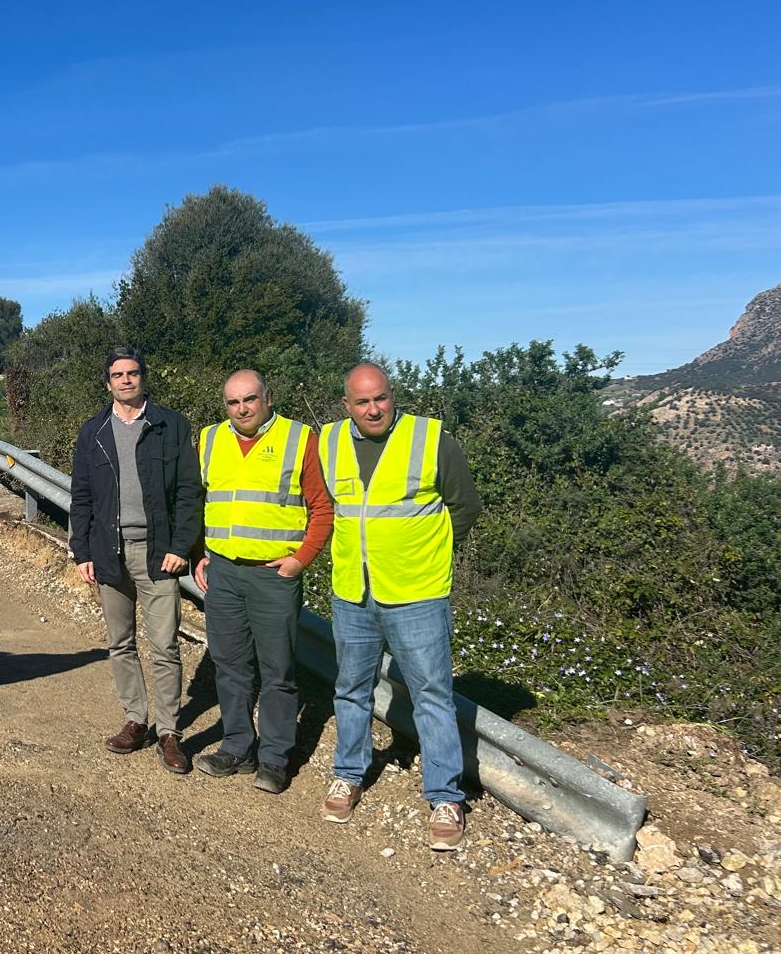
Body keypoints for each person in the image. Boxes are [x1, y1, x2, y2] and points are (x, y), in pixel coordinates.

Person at [318, 363, 483, 850]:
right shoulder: (327, 442)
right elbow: (325, 506)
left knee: (431, 693)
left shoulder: (431, 440)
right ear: (346, 404)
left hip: (418, 593)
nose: (373, 409)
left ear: (393, 397)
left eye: (381, 399)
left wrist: (426, 557)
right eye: (362, 401)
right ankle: (348, 774)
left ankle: (445, 796)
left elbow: (465, 508)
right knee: (351, 688)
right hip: (353, 589)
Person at [192, 370, 333, 793]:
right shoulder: (210, 439)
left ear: (268, 398)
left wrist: (300, 560)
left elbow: (323, 507)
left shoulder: (298, 438)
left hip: (273, 575)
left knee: (277, 670)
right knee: (230, 664)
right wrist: (200, 553)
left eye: (250, 399)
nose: (242, 409)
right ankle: (237, 746)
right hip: (223, 571)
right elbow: (200, 500)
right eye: (233, 402)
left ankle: (274, 758)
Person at [70, 346, 203, 774]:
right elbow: (82, 497)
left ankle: (168, 732)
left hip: (157, 553)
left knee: (164, 645)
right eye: (117, 375)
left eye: (132, 373)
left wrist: (181, 547)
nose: (126, 380)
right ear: (107, 383)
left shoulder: (170, 425)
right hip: (108, 550)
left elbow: (188, 492)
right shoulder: (93, 432)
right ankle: (136, 720)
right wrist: (81, 552)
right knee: (120, 643)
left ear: (143, 377)